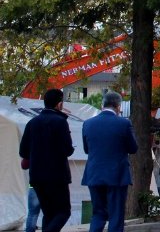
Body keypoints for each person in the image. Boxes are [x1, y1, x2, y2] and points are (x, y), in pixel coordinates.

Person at [81, 91, 138, 232]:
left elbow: (86, 149)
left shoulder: (88, 124)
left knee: (98, 213)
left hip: (94, 175)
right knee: (116, 215)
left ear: (102, 105)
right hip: (117, 175)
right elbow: (133, 148)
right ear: (118, 106)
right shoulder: (124, 123)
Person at [18, 88, 74, 232]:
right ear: (59, 104)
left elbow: (23, 151)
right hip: (57, 177)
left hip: (37, 177)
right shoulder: (60, 122)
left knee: (48, 213)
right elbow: (67, 149)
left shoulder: (32, 123)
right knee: (63, 211)